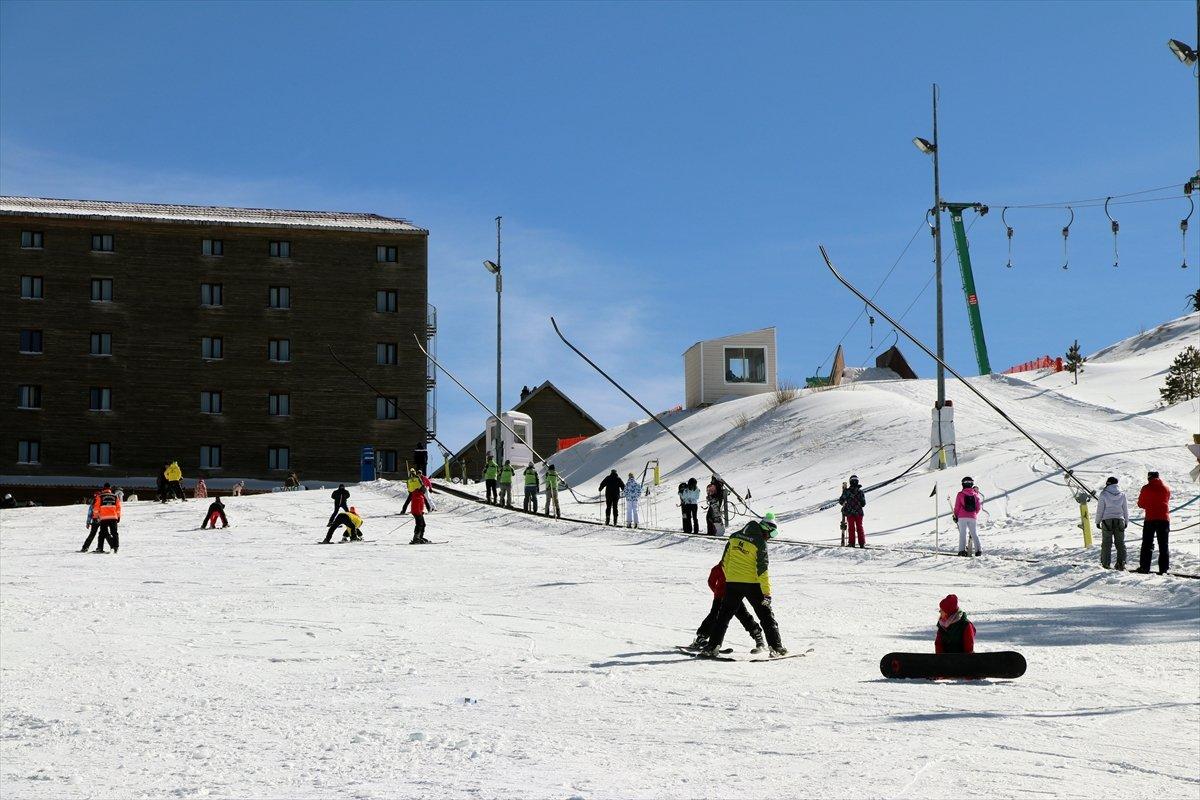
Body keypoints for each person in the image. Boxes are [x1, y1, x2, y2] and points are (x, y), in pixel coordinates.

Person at [699, 513, 787, 658]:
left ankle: (712, 646)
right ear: (766, 529)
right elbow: (762, 569)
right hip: (752, 584)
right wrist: (766, 593)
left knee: (723, 616)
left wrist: (732, 578)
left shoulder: (734, 537)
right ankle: (776, 647)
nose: (771, 537)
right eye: (772, 533)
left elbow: (724, 562)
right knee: (766, 616)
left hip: (732, 583)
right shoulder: (760, 542)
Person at [690, 561, 766, 653]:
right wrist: (717, 592)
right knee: (714, 616)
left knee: (744, 616)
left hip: (734, 597)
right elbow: (711, 582)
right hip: (720, 598)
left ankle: (757, 636)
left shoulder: (735, 567)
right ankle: (701, 638)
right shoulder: (717, 569)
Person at [1136, 471, 1171, 574]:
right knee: (1163, 545)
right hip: (1164, 519)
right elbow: (1166, 500)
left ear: (1149, 478)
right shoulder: (1166, 488)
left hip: (1150, 518)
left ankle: (1144, 568)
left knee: (1147, 544)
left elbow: (1141, 504)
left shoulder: (1146, 488)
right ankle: (1163, 570)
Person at [1095, 476, 1129, 571]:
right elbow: (1125, 509)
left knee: (1106, 543)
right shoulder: (1122, 494)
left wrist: (1098, 521)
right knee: (1120, 543)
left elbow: (1100, 510)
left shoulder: (1104, 494)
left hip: (1107, 520)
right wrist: (1126, 521)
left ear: (1108, 483)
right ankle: (1121, 563)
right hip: (1119, 520)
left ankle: (1105, 563)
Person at [953, 477, 983, 557]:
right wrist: (974, 513)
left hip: (962, 517)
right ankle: (978, 550)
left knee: (963, 533)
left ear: (963, 484)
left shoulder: (960, 494)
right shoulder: (975, 495)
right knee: (974, 533)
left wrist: (955, 516)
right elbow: (978, 507)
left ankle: (961, 551)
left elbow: (957, 507)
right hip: (972, 516)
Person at [90, 483, 121, 553]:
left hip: (104, 518)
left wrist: (95, 517)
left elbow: (96, 508)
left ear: (103, 488)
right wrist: (118, 516)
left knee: (103, 532)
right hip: (113, 517)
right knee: (114, 532)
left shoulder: (100, 496)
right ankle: (116, 547)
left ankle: (101, 548)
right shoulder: (115, 496)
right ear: (110, 488)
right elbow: (118, 508)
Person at [838, 475, 867, 548]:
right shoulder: (860, 492)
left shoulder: (847, 492)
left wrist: (845, 502)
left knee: (851, 528)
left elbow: (841, 501)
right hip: (859, 512)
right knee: (859, 527)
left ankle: (852, 543)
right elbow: (863, 504)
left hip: (850, 512)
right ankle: (862, 543)